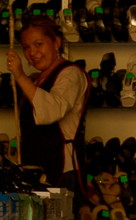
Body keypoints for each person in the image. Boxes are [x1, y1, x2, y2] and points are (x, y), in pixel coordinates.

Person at [6, 15, 90, 189]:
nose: (32, 53)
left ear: (56, 43)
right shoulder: (36, 80)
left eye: (38, 44)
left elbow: (52, 111)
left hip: (62, 168)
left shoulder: (71, 73)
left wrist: (20, 76)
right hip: (36, 166)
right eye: (26, 47)